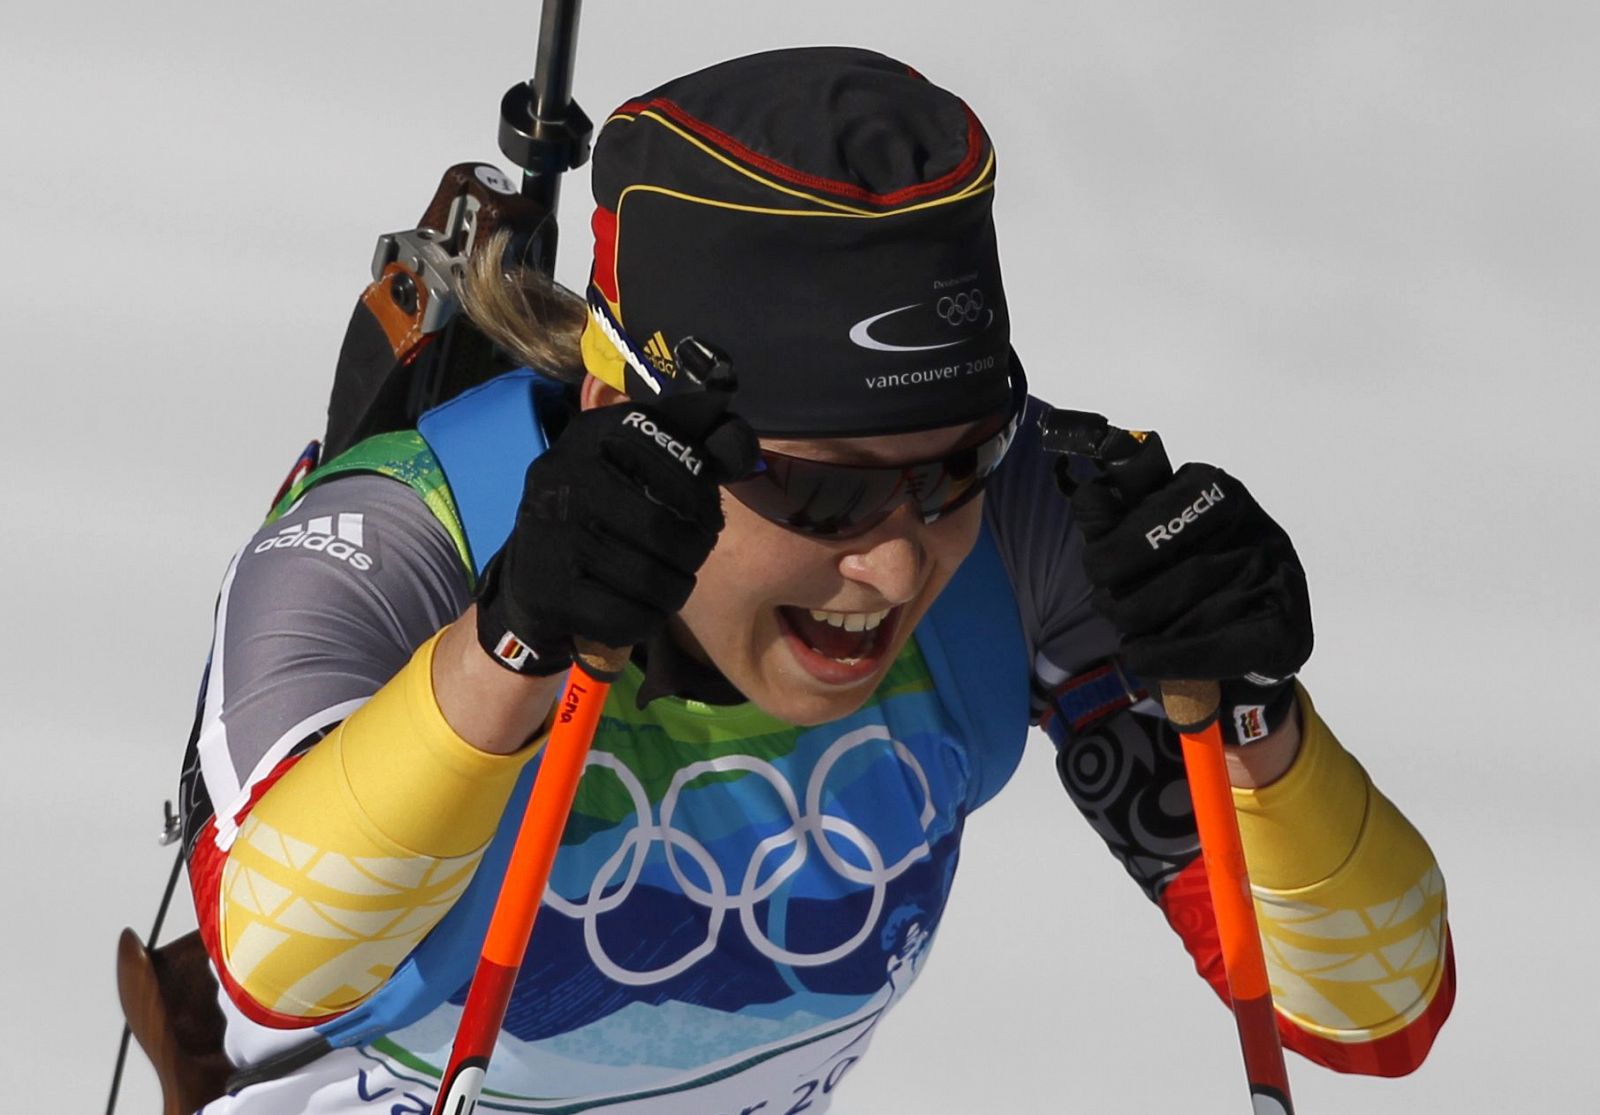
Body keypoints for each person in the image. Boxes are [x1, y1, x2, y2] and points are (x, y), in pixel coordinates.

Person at [177, 46, 1454, 1114]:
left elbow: (1370, 1005)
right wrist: (503, 648)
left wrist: (1256, 719)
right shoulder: (401, 540)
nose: (897, 560)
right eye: (822, 490)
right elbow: (279, 958)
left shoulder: (1023, 533)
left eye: (956, 463)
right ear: (637, 414)